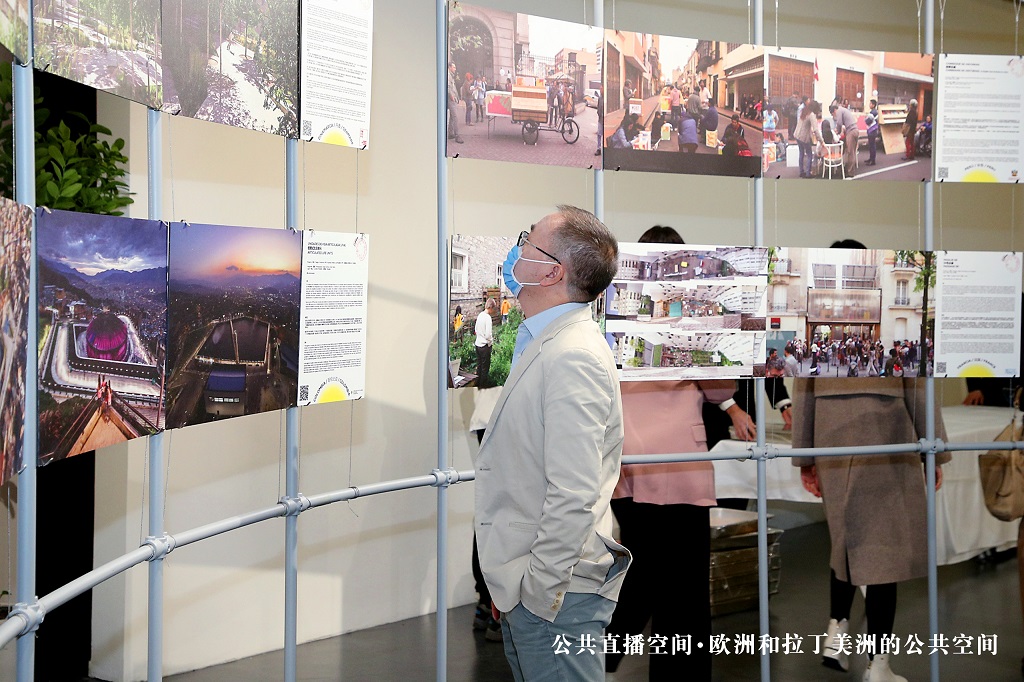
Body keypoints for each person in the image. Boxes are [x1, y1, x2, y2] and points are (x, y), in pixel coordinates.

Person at [476, 205, 630, 681]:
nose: (516, 250)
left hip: (556, 597)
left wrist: (537, 592)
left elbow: (573, 493)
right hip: (535, 591)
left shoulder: (572, 356)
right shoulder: (548, 341)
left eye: (528, 240)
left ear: (550, 271)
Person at [606, 226, 756, 681]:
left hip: (631, 459)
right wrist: (729, 403)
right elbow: (718, 385)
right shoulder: (695, 311)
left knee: (639, 571)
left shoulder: (615, 307)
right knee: (683, 588)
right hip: (683, 463)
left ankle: (600, 656)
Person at [792, 376, 947, 682]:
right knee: (882, 550)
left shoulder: (820, 327)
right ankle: (878, 664)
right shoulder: (899, 326)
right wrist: (935, 450)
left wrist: (804, 457)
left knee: (846, 537)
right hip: (886, 428)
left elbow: (803, 388)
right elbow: (917, 385)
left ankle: (836, 632)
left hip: (830, 429)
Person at [832, 102, 860, 178]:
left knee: (850, 152)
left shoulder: (839, 111)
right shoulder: (843, 110)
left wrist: (837, 131)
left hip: (851, 131)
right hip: (854, 130)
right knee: (852, 152)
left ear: (834, 110)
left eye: (833, 114)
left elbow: (839, 123)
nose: (834, 116)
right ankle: (849, 169)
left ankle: (850, 172)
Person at [474, 298, 495, 388]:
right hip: (484, 346)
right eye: (493, 308)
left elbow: (475, 329)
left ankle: (476, 385)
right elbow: (488, 335)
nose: (493, 311)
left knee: (479, 367)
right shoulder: (487, 318)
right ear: (491, 307)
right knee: (485, 369)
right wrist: (490, 342)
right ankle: (482, 388)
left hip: (478, 344)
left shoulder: (480, 315)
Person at [447, 61, 464, 144]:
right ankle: (457, 135)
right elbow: (449, 87)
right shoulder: (448, 75)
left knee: (452, 117)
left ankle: (450, 133)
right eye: (454, 67)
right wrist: (452, 96)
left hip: (452, 98)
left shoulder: (451, 75)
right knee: (455, 117)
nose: (455, 68)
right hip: (451, 99)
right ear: (450, 67)